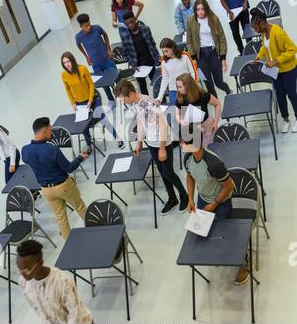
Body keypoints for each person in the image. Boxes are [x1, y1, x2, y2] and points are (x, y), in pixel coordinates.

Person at [181, 126, 249, 285]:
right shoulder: (187, 158)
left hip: (222, 202)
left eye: (184, 142)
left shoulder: (213, 163)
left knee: (228, 235)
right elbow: (190, 176)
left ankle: (242, 265)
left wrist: (214, 204)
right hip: (202, 199)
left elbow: (229, 186)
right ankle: (217, 255)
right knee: (204, 232)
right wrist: (191, 199)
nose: (181, 144)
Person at [115, 79, 188, 215]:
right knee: (161, 171)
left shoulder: (149, 103)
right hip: (152, 143)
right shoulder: (134, 104)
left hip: (163, 142)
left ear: (130, 94)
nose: (123, 103)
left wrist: (161, 148)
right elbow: (141, 121)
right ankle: (172, 199)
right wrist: (139, 142)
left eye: (124, 100)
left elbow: (163, 125)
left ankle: (184, 195)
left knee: (168, 172)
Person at [22, 117, 88, 240]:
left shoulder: (25, 150)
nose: (51, 133)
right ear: (45, 130)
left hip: (47, 191)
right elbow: (69, 168)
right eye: (50, 130)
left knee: (61, 218)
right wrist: (80, 158)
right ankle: (97, 230)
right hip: (64, 186)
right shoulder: (52, 149)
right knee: (80, 208)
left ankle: (69, 245)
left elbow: (26, 160)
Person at [17, 240, 93, 324]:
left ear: (40, 263)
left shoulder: (63, 281)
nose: (22, 273)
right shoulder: (23, 282)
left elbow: (75, 313)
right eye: (19, 268)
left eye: (26, 269)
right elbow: (37, 308)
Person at [61, 52, 124, 150]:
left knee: (102, 118)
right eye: (64, 63)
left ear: (72, 60)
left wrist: (90, 101)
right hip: (79, 103)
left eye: (68, 61)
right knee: (83, 125)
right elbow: (67, 89)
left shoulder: (82, 69)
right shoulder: (64, 75)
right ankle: (89, 145)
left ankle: (118, 137)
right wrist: (72, 103)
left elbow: (91, 85)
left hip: (93, 99)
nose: (67, 64)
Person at [251, 7, 297, 133]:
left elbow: (293, 49)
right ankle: (286, 120)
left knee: (291, 95)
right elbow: (265, 47)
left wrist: (275, 61)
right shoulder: (263, 33)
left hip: (288, 69)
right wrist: (259, 55)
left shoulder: (278, 32)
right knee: (280, 96)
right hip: (275, 71)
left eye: (256, 28)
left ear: (262, 23)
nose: (255, 31)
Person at [187, 0, 231, 98]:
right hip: (199, 57)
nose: (200, 12)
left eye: (202, 9)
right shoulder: (190, 20)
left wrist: (223, 58)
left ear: (206, 9)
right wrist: (193, 58)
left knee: (219, 82)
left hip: (214, 54)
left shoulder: (214, 19)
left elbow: (222, 38)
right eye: (197, 9)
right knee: (208, 84)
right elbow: (189, 40)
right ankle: (217, 105)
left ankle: (228, 90)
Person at [75, 13, 115, 103]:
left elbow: (105, 35)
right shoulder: (79, 37)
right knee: (103, 82)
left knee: (115, 77)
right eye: (86, 26)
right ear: (81, 26)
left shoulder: (97, 28)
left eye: (89, 24)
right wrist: (86, 57)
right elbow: (78, 45)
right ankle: (111, 100)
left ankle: (121, 97)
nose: (89, 27)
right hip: (96, 63)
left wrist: (108, 49)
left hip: (107, 59)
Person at [175, 73, 221, 148]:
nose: (178, 89)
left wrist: (216, 122)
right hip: (191, 130)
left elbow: (217, 104)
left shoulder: (204, 96)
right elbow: (177, 115)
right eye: (177, 87)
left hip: (206, 127)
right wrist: (182, 121)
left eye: (180, 87)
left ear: (187, 86)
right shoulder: (180, 99)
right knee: (195, 152)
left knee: (209, 150)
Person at [121, 11, 160, 95]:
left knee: (157, 85)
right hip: (137, 66)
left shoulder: (145, 29)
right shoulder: (125, 35)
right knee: (143, 89)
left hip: (150, 62)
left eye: (131, 22)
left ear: (135, 19)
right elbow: (125, 53)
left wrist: (157, 57)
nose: (130, 25)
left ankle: (161, 103)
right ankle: (146, 106)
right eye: (127, 24)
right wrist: (133, 65)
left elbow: (153, 44)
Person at [157, 38, 197, 105]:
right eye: (163, 52)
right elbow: (165, 79)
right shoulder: (164, 61)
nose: (165, 54)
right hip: (173, 91)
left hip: (187, 89)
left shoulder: (185, 56)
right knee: (176, 114)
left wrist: (192, 87)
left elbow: (193, 72)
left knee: (191, 114)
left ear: (172, 48)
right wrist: (159, 97)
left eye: (166, 51)